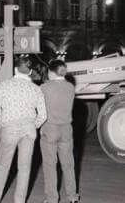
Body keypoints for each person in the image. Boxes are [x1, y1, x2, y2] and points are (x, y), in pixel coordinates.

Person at [0, 55, 47, 203]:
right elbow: (43, 115)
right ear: (30, 71)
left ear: (15, 69)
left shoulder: (5, 85)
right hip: (29, 129)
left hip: (10, 128)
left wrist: (4, 122)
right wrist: (34, 125)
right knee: (25, 168)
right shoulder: (36, 89)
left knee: (2, 166)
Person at [40, 60, 79, 203]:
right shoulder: (70, 87)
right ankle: (72, 196)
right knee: (68, 164)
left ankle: (51, 199)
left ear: (51, 72)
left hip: (50, 129)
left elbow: (39, 109)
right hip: (67, 129)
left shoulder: (44, 87)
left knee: (50, 165)